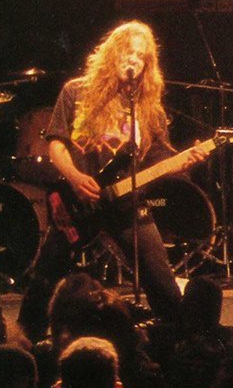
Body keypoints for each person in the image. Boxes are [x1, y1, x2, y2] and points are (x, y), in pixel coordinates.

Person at [18, 20, 206, 337]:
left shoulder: (149, 108)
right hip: (78, 199)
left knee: (158, 275)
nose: (134, 59)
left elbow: (158, 162)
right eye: (128, 51)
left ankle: (180, 337)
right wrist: (75, 177)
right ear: (113, 53)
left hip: (126, 202)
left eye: (141, 56)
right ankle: (26, 337)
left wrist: (185, 161)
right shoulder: (76, 91)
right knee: (47, 274)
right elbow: (56, 144)